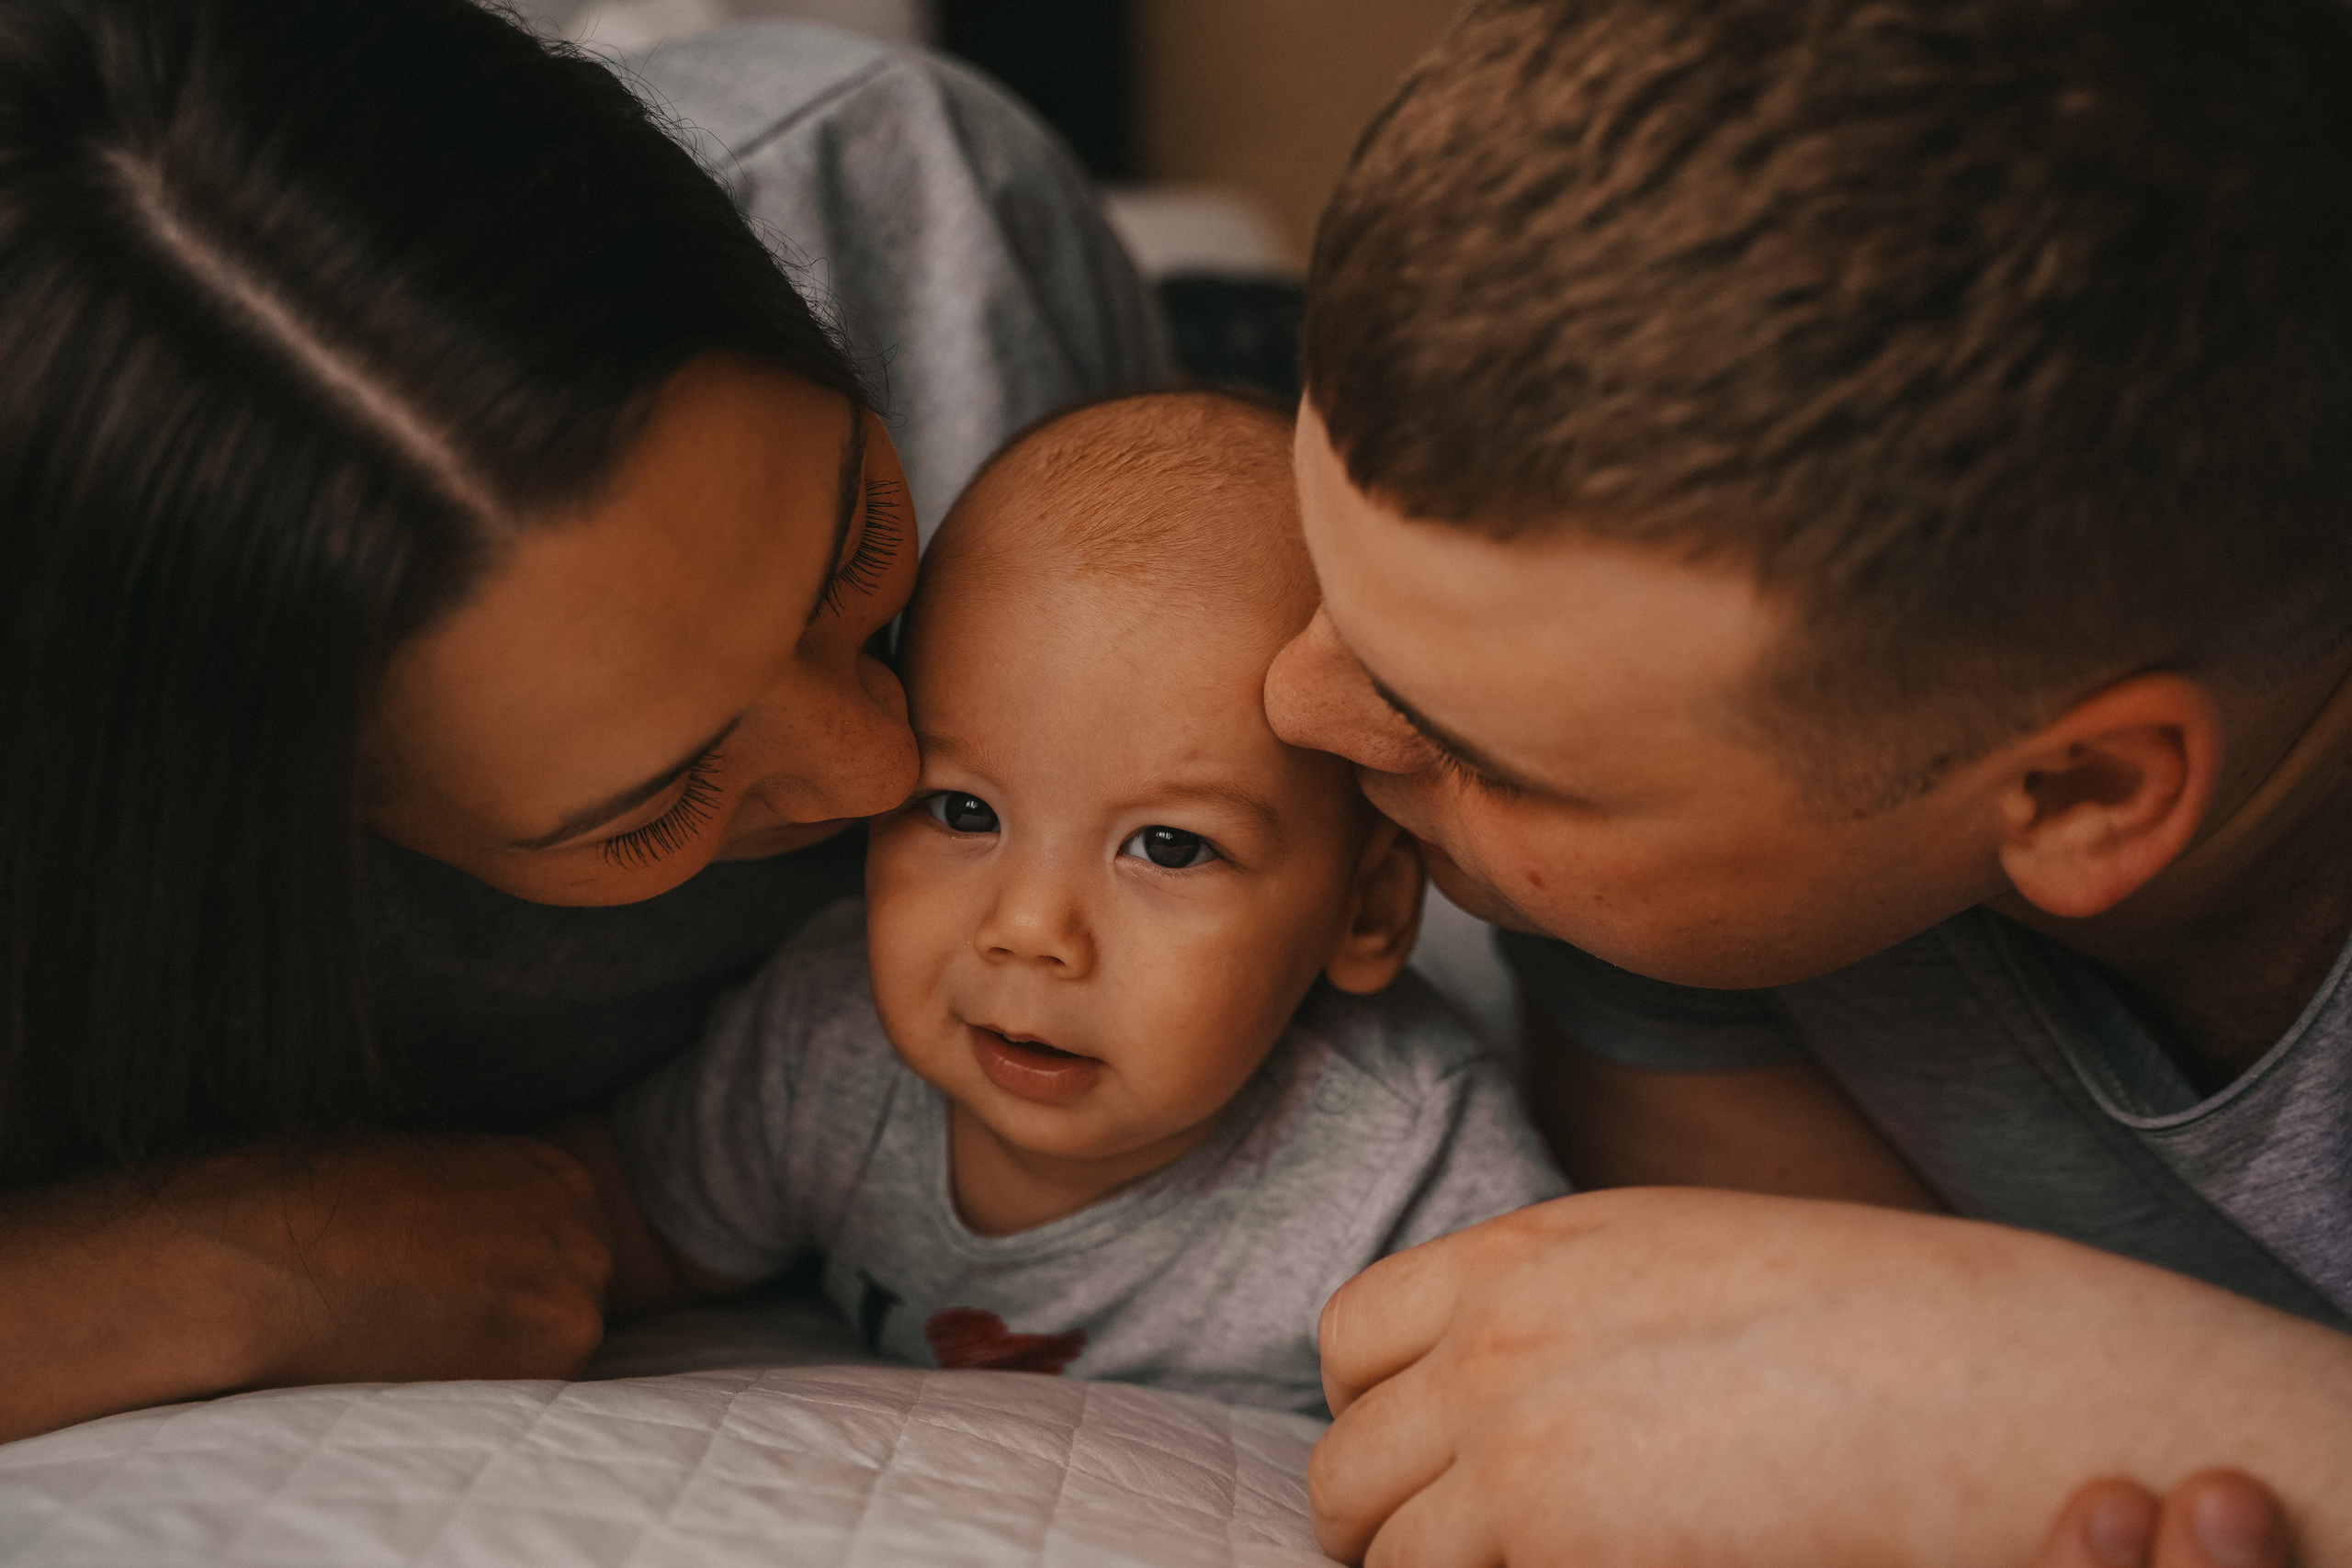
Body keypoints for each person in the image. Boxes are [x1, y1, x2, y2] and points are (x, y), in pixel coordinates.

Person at [1261, 0, 2352, 1562]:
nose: (1293, 704)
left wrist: (2033, 1390)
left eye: (1478, 747)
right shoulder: (1673, 888)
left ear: (2081, 792)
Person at [0, 0, 1161, 1444]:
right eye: (660, 800)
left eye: (860, 541)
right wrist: (203, 1269)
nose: (886, 770)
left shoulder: (905, 206)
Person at [555, 391, 1565, 1414]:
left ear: (1367, 910)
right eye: (963, 811)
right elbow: (611, 1235)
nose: (1030, 930)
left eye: (1168, 846)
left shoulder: (1403, 1164)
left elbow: (1546, 1400)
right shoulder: (819, 1050)